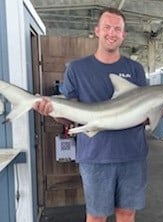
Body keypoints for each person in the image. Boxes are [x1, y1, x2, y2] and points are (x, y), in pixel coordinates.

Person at [34, 8, 148, 222]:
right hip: (95, 155)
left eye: (117, 29)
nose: (111, 33)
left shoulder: (135, 69)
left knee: (127, 214)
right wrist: (52, 112)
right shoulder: (77, 69)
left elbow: (146, 114)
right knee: (96, 217)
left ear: (124, 35)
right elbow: (68, 116)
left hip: (132, 154)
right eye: (107, 27)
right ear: (97, 30)